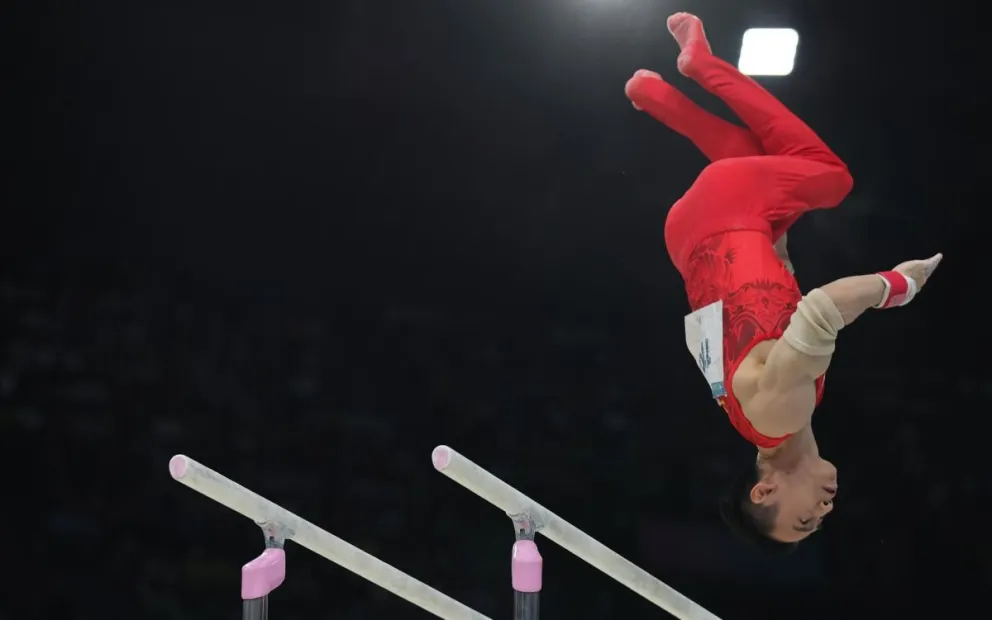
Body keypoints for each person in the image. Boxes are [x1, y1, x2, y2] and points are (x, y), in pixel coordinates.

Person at [625, 12, 942, 551]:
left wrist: (898, 286)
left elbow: (821, 309)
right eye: (818, 524)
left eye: (803, 520)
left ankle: (702, 64)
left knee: (829, 176)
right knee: (758, 159)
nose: (823, 512)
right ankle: (654, 95)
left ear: (765, 490)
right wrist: (777, 244)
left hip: (721, 219)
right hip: (697, 240)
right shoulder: (755, 415)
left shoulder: (784, 412)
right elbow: (759, 307)